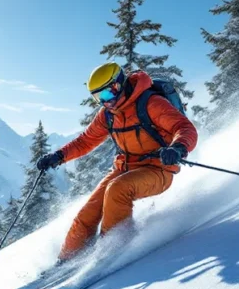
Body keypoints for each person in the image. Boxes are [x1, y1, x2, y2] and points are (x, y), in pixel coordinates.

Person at [36, 63, 198, 261]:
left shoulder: (151, 104)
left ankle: (110, 252)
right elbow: (86, 141)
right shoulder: (108, 115)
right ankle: (66, 261)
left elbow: (184, 127)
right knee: (88, 213)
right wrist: (59, 156)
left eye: (108, 94)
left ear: (119, 84)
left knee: (117, 189)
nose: (106, 101)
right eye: (99, 98)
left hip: (158, 169)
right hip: (124, 168)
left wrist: (178, 148)